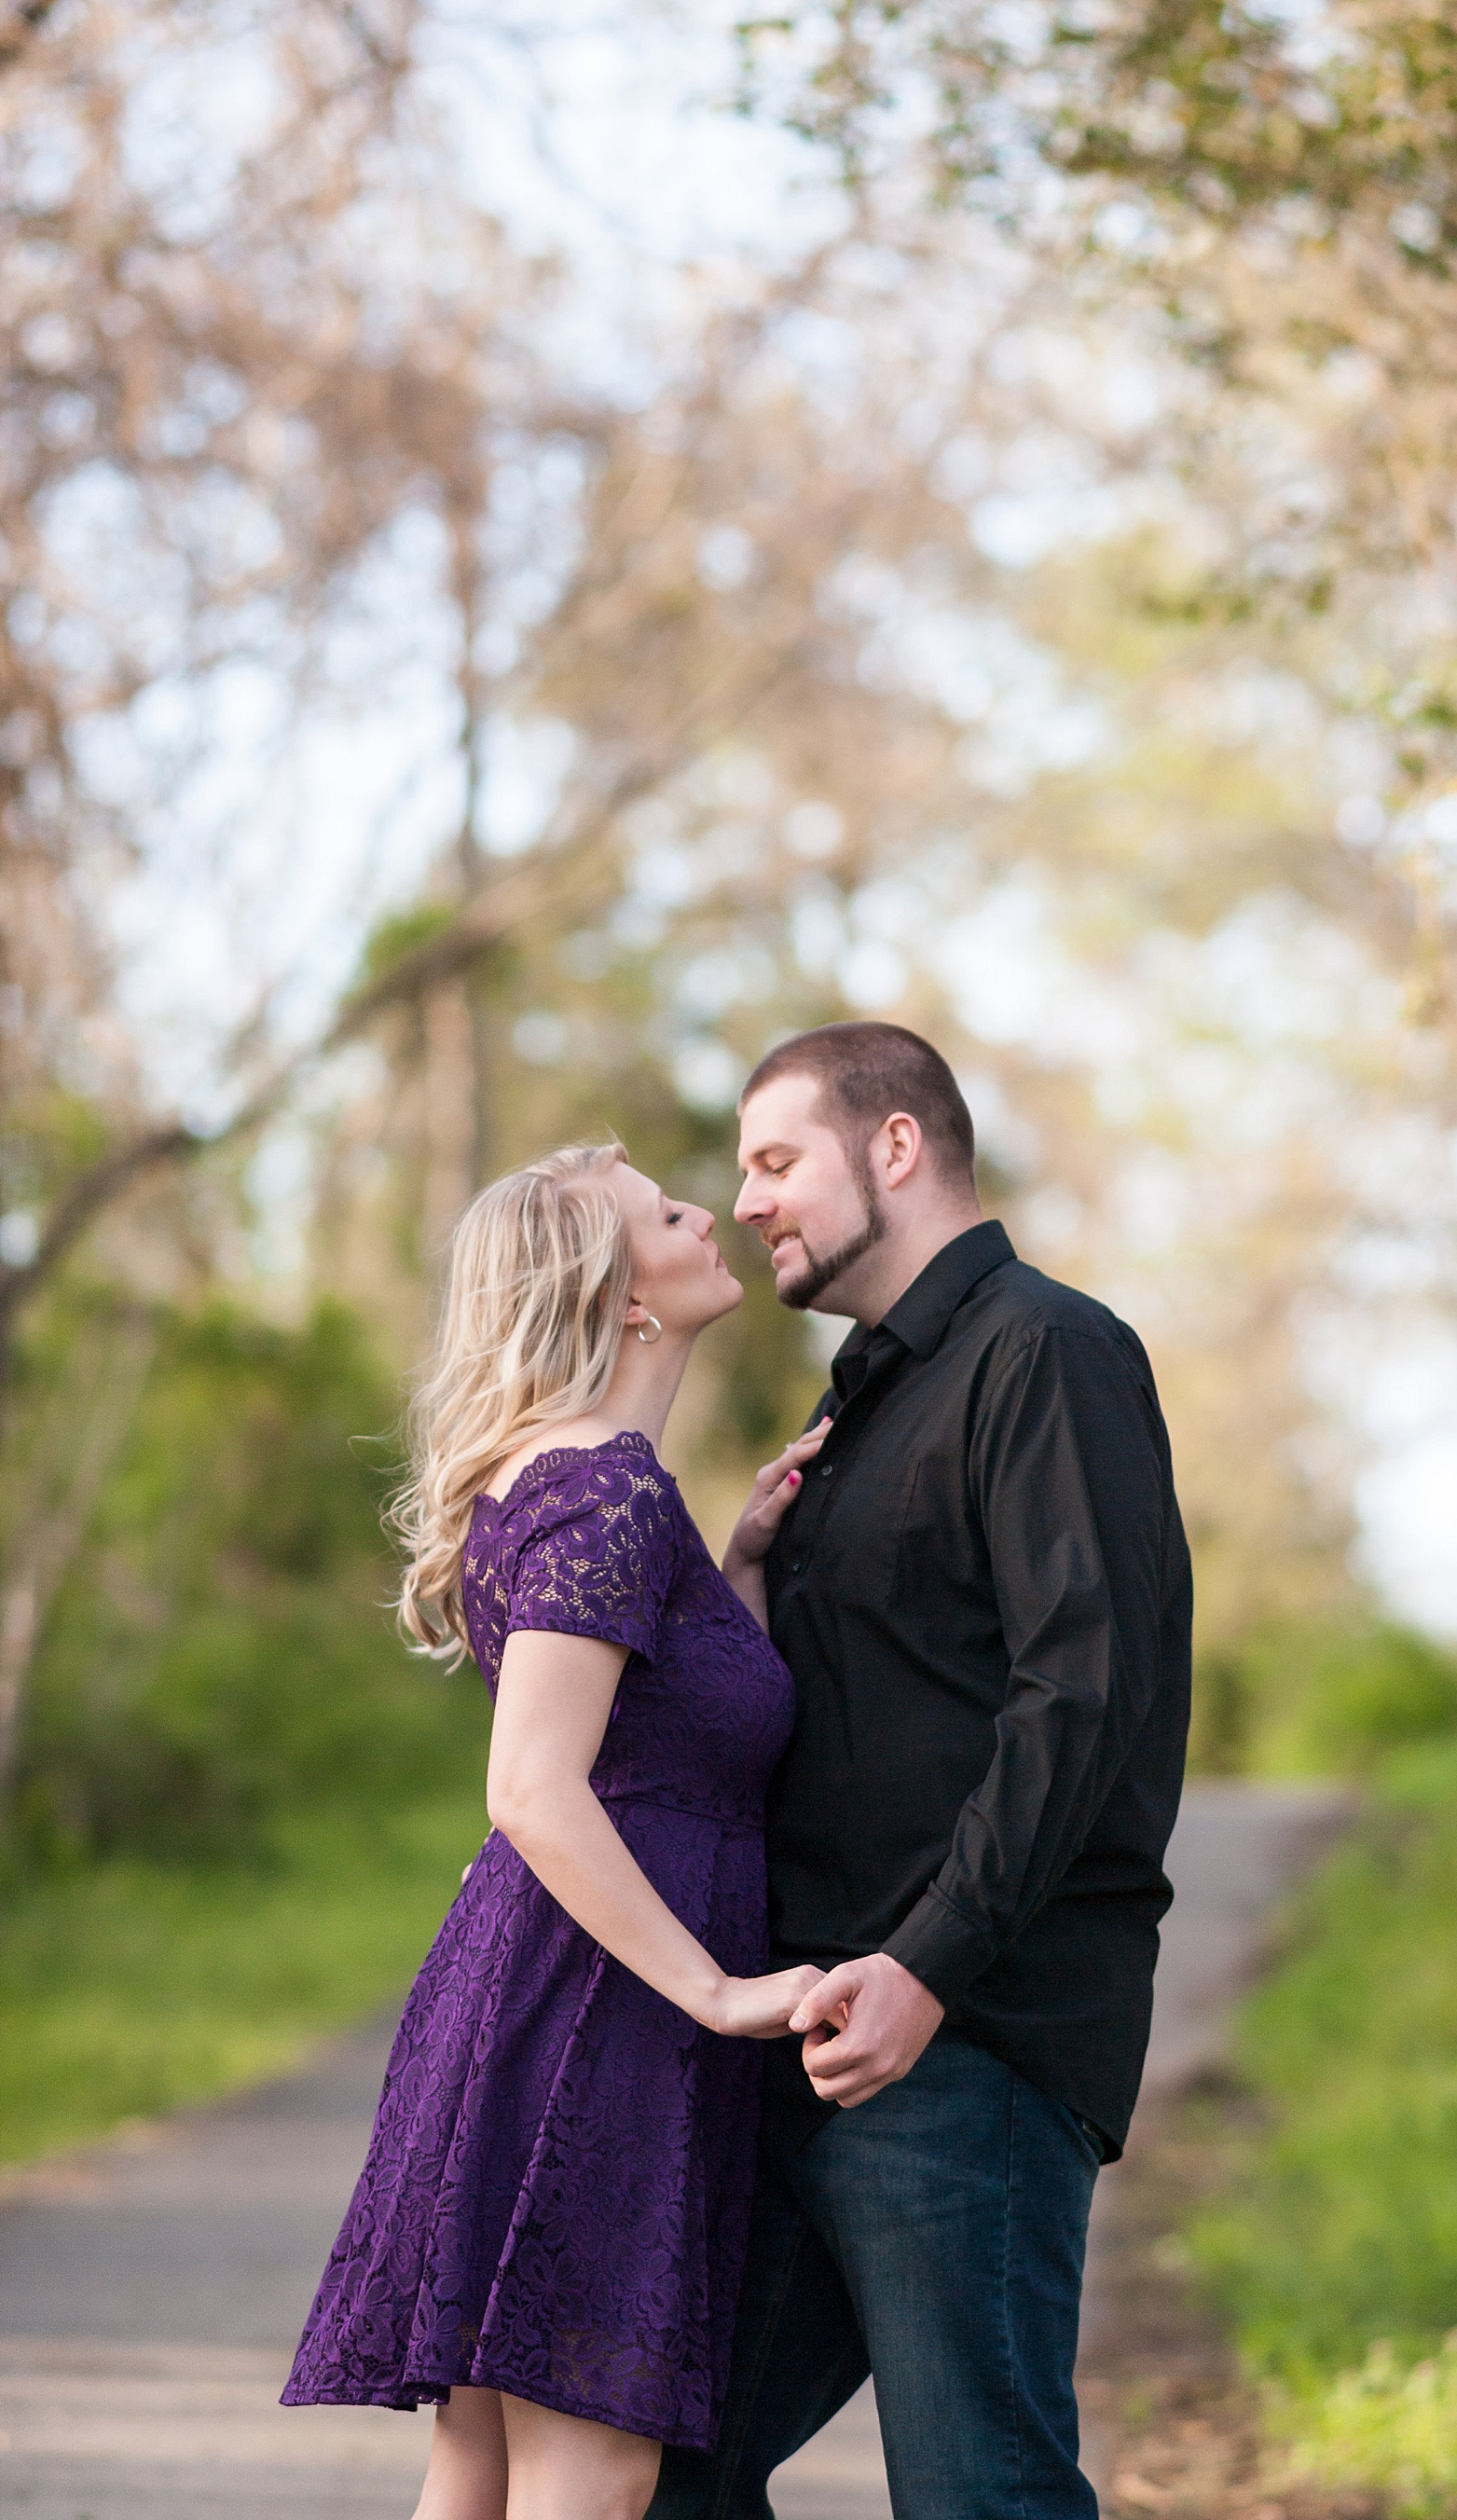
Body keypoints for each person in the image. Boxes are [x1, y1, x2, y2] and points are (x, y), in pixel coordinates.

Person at [650, 1022, 1193, 2520]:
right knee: (655, 2482)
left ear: (896, 1146)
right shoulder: (855, 1401)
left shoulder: (1051, 1351)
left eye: (777, 1159)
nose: (748, 1199)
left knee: (980, 2499)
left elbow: (1081, 1697)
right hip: (798, 2042)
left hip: (965, 2049)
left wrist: (929, 1967)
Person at [282, 1143, 832, 2520]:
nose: (708, 1214)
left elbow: (668, 1745)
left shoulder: (587, 1483)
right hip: (603, 2019)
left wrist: (741, 1569)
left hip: (544, 1996)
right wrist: (715, 1990)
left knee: (479, 2466)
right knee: (590, 2466)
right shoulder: (607, 1491)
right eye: (664, 1214)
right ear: (620, 1295)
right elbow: (530, 1784)